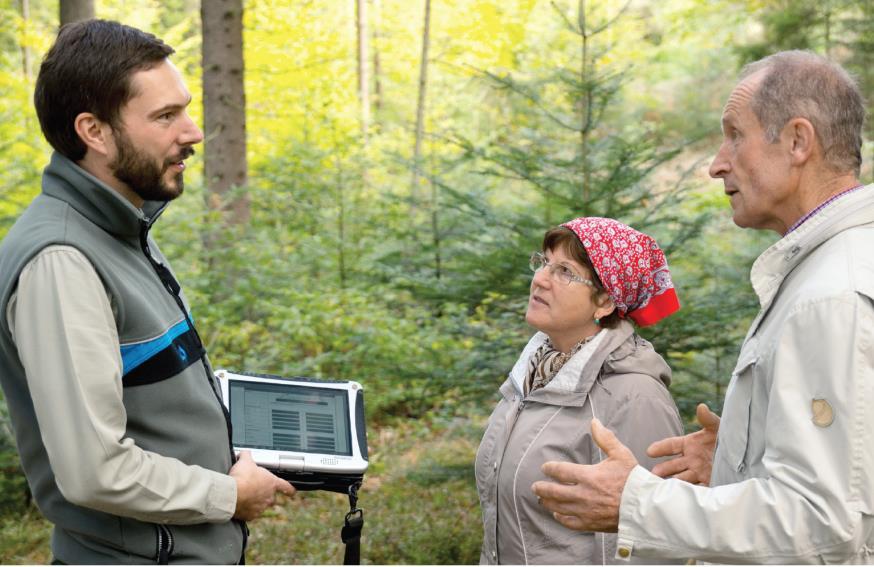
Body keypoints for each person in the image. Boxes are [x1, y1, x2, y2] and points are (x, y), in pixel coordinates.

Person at [532, 50, 874, 563]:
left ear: (798, 141)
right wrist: (742, 458)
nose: (718, 163)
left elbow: (823, 523)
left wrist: (640, 503)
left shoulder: (831, 296)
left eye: (736, 134)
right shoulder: (830, 269)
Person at [0, 20, 294, 564]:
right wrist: (231, 495)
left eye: (183, 107)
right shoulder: (63, 261)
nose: (193, 131)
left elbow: (146, 385)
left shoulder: (120, 226)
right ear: (95, 131)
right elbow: (95, 470)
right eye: (165, 116)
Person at [475, 216, 684, 564]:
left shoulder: (634, 396)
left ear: (604, 301)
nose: (540, 279)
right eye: (543, 263)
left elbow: (654, 548)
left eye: (564, 272)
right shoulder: (533, 373)